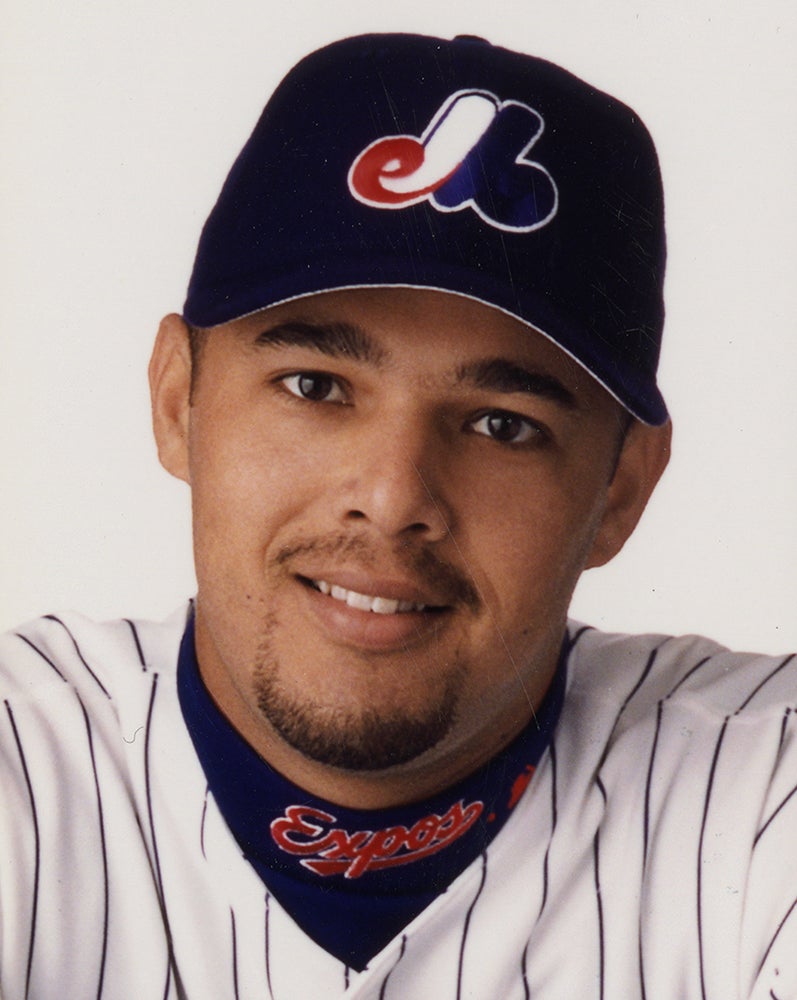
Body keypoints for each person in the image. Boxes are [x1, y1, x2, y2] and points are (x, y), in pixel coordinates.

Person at [0, 32, 793, 1000]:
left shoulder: (758, 793)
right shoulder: (23, 763)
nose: (391, 496)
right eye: (314, 384)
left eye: (502, 424)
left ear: (620, 487)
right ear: (179, 401)